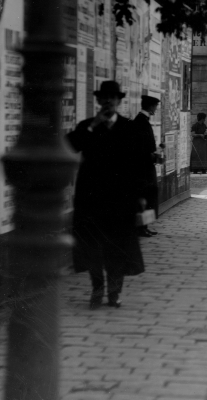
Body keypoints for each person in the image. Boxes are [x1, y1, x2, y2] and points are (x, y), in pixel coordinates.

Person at [67, 80, 146, 309]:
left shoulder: (129, 128)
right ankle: (97, 288)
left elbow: (138, 165)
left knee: (117, 247)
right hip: (90, 199)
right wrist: (93, 125)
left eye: (113, 97)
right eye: (105, 98)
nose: (109, 101)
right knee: (92, 246)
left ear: (119, 101)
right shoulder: (87, 126)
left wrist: (140, 196)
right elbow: (69, 146)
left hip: (120, 200)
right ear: (99, 101)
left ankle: (114, 292)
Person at [133, 94, 162, 238]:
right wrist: (152, 155)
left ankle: (144, 226)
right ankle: (140, 228)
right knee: (143, 198)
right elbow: (140, 147)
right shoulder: (140, 122)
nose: (156, 108)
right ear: (150, 106)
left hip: (145, 165)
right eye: (155, 106)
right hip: (142, 167)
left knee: (147, 197)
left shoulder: (143, 120)